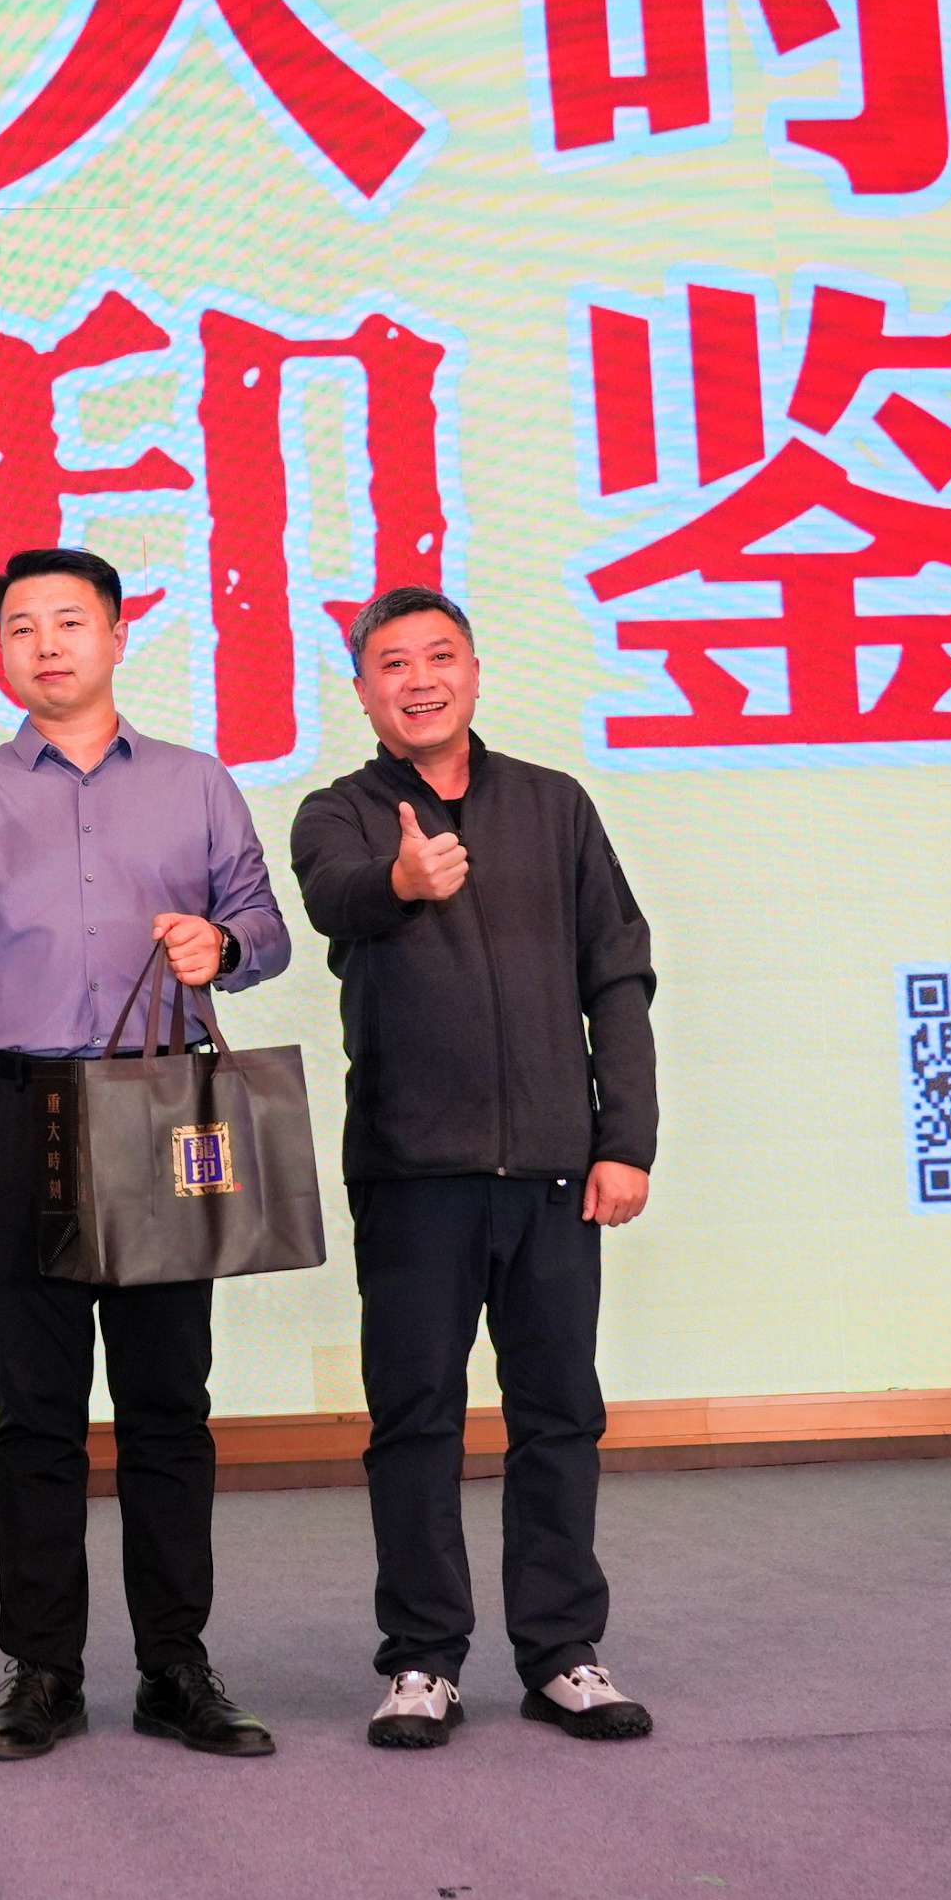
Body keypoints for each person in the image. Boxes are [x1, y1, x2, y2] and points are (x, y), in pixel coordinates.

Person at [0, 546, 293, 1763]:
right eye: (20, 626)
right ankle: (42, 1667)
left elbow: (264, 926)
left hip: (165, 1113)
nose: (45, 643)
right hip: (25, 1115)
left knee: (169, 1402)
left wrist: (222, 946)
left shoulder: (197, 781)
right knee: (36, 1407)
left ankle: (176, 1664)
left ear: (114, 636)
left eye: (68, 620)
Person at [287, 585, 660, 1753]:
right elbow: (333, 898)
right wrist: (403, 883)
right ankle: (422, 1658)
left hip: (553, 1168)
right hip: (414, 1172)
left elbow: (617, 972)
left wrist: (624, 1138)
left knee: (559, 1412)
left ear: (475, 670)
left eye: (439, 655)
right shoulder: (339, 812)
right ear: (364, 691)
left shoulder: (554, 804)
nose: (420, 679)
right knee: (415, 1417)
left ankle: (563, 1651)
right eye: (393, 663)